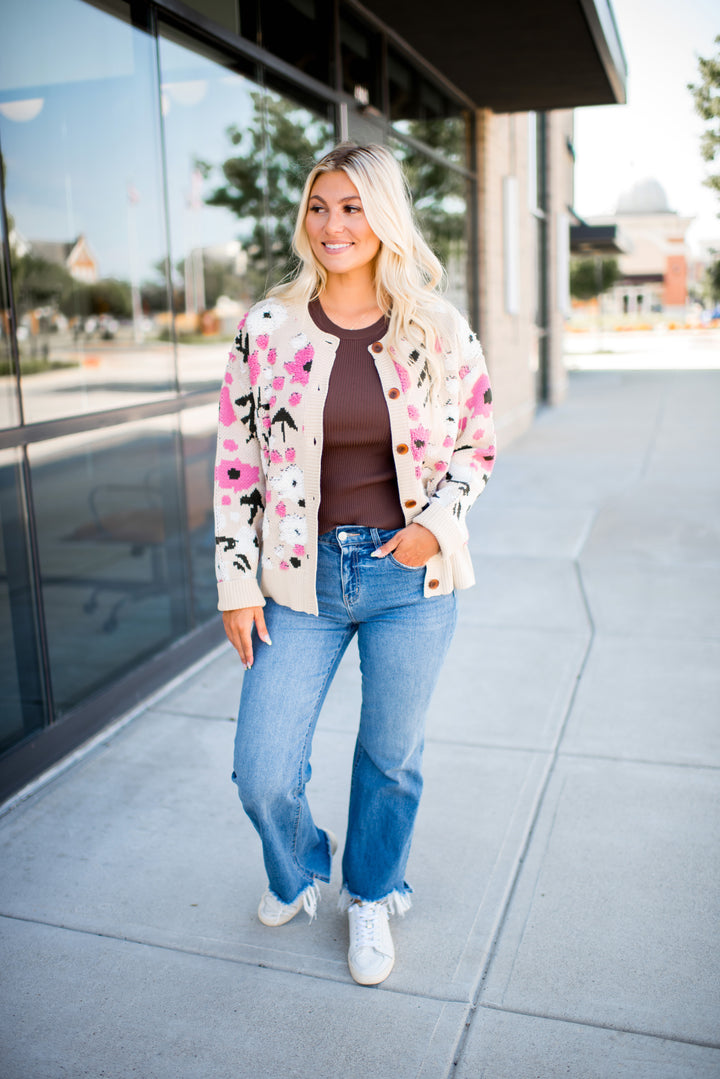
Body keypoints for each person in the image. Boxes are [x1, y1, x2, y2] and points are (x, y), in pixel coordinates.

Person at [214, 142, 495, 986]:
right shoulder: (267, 327)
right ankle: (300, 865)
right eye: (319, 207)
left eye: (352, 207)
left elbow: (477, 444)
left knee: (390, 755)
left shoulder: (436, 327)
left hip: (409, 578)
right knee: (263, 769)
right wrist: (235, 579)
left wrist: (433, 528)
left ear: (384, 217)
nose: (334, 225)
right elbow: (236, 463)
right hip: (299, 583)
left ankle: (371, 893)